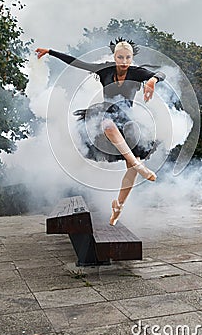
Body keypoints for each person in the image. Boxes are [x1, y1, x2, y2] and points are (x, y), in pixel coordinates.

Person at [35, 38, 165, 225]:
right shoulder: (105, 69)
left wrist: (152, 80)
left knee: (131, 169)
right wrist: (50, 51)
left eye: (128, 57)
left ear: (132, 58)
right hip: (106, 114)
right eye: (120, 57)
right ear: (114, 56)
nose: (124, 61)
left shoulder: (136, 73)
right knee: (107, 124)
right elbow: (77, 62)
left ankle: (118, 207)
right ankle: (139, 166)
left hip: (127, 120)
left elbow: (160, 74)